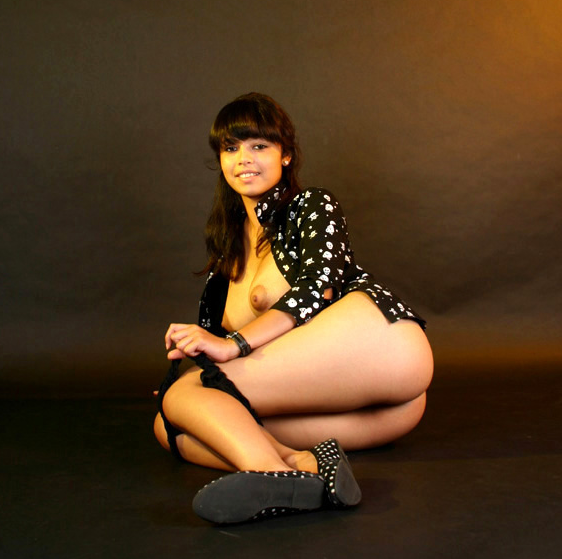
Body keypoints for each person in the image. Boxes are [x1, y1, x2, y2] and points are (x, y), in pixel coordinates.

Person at [154, 92, 433, 525]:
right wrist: (192, 364)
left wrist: (233, 346)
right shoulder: (227, 251)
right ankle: (302, 466)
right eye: (231, 148)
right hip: (369, 414)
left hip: (383, 349)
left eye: (259, 146)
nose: (244, 159)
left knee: (189, 398)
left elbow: (315, 290)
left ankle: (274, 475)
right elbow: (215, 352)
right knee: (171, 426)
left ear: (285, 155)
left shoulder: (311, 206)